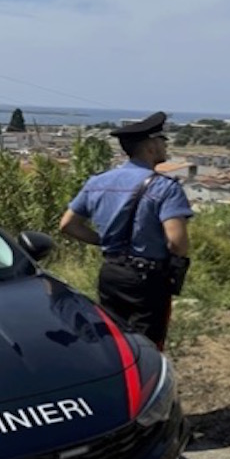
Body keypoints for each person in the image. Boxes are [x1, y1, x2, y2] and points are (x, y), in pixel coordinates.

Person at [59, 111, 193, 351]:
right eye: (163, 141)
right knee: (148, 346)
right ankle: (145, 385)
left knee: (113, 340)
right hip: (149, 279)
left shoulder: (97, 182)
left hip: (111, 272)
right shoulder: (165, 188)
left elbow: (68, 225)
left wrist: (105, 241)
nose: (165, 146)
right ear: (151, 146)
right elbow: (177, 242)